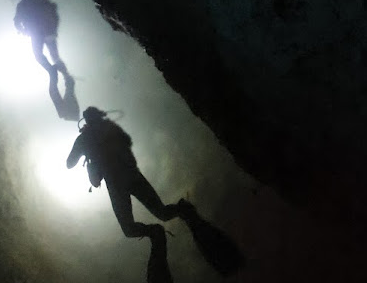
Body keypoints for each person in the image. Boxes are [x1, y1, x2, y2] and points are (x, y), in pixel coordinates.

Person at [66, 108, 245, 281]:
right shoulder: (110, 129)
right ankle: (184, 211)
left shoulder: (84, 139)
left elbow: (69, 163)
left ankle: (155, 232)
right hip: (134, 176)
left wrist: (88, 157)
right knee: (162, 212)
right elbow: (127, 143)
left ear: (86, 122)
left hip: (116, 185)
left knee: (129, 229)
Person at [14, 0, 78, 120]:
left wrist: (23, 30)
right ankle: (65, 76)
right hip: (48, 33)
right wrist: (53, 30)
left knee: (39, 55)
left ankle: (53, 71)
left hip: (36, 34)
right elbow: (54, 14)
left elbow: (17, 21)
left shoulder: (23, 4)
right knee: (55, 56)